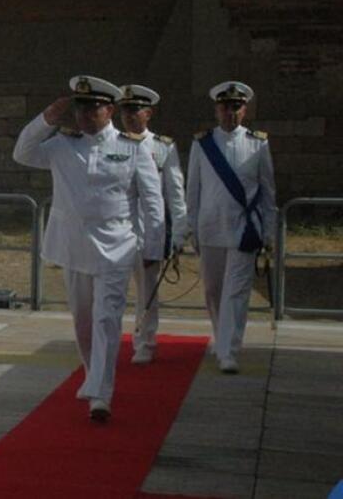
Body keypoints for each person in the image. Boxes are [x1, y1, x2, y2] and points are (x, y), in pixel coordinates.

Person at [12, 75, 163, 422]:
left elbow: (152, 202)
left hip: (117, 247)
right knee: (82, 321)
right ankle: (91, 372)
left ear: (109, 110)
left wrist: (153, 246)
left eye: (92, 108)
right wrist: (47, 118)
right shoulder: (63, 145)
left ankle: (101, 392)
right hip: (74, 248)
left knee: (107, 319)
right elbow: (22, 153)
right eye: (79, 107)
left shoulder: (134, 147)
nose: (83, 115)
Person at [186, 81, 276, 374]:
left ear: (245, 110)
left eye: (236, 107)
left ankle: (229, 350)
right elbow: (193, 191)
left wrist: (269, 231)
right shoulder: (202, 144)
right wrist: (192, 229)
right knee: (213, 290)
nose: (230, 113)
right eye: (225, 107)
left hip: (244, 229)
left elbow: (267, 192)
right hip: (211, 227)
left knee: (236, 292)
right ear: (217, 109)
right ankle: (221, 335)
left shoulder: (258, 143)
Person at [116, 84, 189, 365]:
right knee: (112, 290)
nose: (130, 117)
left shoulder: (162, 146)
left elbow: (174, 192)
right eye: (125, 111)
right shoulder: (115, 142)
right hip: (118, 229)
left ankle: (145, 341)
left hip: (149, 231)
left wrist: (179, 233)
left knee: (147, 291)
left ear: (148, 113)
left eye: (135, 111)